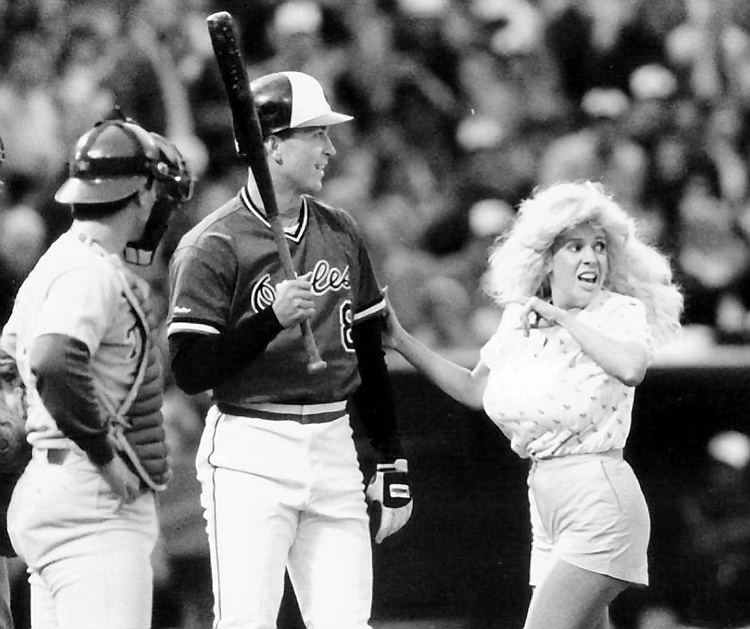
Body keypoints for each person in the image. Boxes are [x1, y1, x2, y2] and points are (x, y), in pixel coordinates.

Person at [167, 70, 413, 629]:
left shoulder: (341, 230)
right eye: (316, 133)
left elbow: (369, 355)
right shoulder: (212, 242)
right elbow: (189, 369)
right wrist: (267, 320)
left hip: (332, 442)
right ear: (271, 145)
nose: (330, 147)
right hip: (251, 446)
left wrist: (391, 457)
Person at [382, 180, 683, 629]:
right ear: (545, 260)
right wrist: (401, 341)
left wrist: (564, 318)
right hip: (546, 505)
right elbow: (473, 391)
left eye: (599, 246)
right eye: (575, 247)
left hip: (599, 498)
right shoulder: (519, 319)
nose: (591, 258)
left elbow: (630, 368)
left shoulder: (617, 312)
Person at [0, 112, 192, 629]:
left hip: (55, 485)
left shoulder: (55, 260)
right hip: (92, 502)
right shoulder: (92, 272)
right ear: (143, 192)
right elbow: (51, 359)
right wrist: (103, 454)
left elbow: (9, 358)